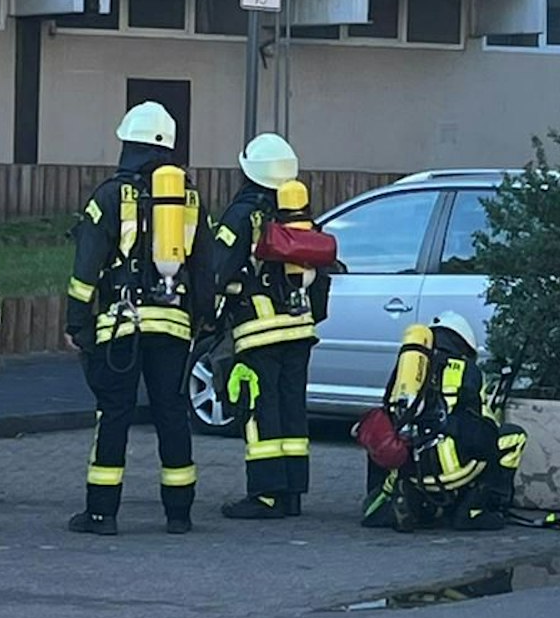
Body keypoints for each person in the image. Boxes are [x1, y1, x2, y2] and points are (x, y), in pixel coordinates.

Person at [64, 101, 211, 537]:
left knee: (114, 414)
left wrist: (77, 322)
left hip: (121, 325)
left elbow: (86, 264)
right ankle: (179, 513)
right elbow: (205, 266)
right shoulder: (188, 198)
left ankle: (100, 513)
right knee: (171, 412)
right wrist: (202, 319)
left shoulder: (109, 196)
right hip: (173, 326)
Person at [211, 134, 329, 520]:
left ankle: (264, 494)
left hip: (259, 331)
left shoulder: (243, 214)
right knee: (293, 408)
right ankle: (292, 493)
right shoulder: (299, 212)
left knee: (260, 409)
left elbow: (218, 269)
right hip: (300, 329)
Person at [361, 313, 525, 533]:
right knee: (512, 436)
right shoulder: (469, 371)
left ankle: (402, 499)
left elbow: (389, 420)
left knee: (383, 434)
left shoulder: (408, 372)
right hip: (456, 471)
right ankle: (475, 509)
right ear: (465, 344)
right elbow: (484, 436)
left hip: (409, 471)